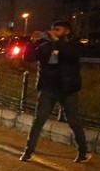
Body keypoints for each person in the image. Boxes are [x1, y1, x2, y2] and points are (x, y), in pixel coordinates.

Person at [20, 20, 90, 163]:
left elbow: (72, 54)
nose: (53, 32)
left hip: (68, 89)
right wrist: (33, 42)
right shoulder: (46, 45)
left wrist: (57, 41)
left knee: (73, 121)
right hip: (48, 88)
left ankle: (83, 152)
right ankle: (28, 152)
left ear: (67, 31)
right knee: (39, 120)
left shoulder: (74, 44)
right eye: (52, 29)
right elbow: (28, 57)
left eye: (57, 29)